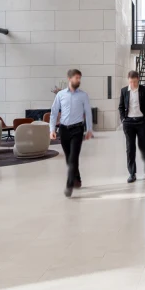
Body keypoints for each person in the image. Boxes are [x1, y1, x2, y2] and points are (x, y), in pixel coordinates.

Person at [48, 68, 93, 197]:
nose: (79, 80)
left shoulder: (83, 95)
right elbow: (54, 112)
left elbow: (88, 112)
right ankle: (77, 178)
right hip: (63, 130)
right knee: (69, 158)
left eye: (80, 78)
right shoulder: (60, 95)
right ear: (69, 79)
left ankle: (69, 184)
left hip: (77, 130)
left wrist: (89, 129)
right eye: (76, 78)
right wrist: (52, 129)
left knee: (73, 157)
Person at [118, 70, 145, 183]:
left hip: (141, 122)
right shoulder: (124, 91)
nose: (133, 84)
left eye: (134, 82)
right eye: (130, 82)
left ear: (138, 79)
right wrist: (123, 119)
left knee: (142, 145)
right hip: (128, 123)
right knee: (130, 148)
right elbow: (121, 106)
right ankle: (132, 173)